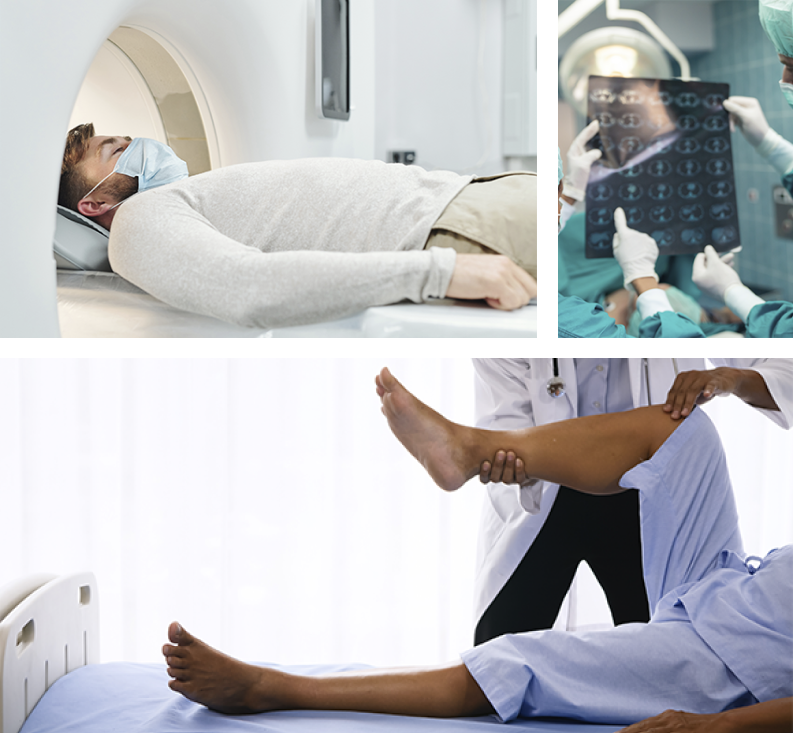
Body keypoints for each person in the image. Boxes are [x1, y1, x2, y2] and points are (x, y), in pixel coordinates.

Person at [161, 367, 793, 729]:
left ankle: (272, 688)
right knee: (683, 427)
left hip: (730, 660)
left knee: (514, 661)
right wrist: (735, 377)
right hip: (732, 585)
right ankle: (468, 448)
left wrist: (719, 725)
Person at [59, 124, 535, 330]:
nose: (136, 140)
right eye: (116, 150)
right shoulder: (139, 222)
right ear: (94, 202)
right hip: (459, 229)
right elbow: (247, 289)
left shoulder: (188, 199)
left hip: (474, 199)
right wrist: (438, 272)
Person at [471, 358, 791, 647]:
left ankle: (459, 448)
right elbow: (503, 421)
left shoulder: (666, 306)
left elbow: (784, 370)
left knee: (672, 664)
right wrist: (507, 457)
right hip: (543, 493)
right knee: (492, 660)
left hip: (644, 499)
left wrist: (733, 378)